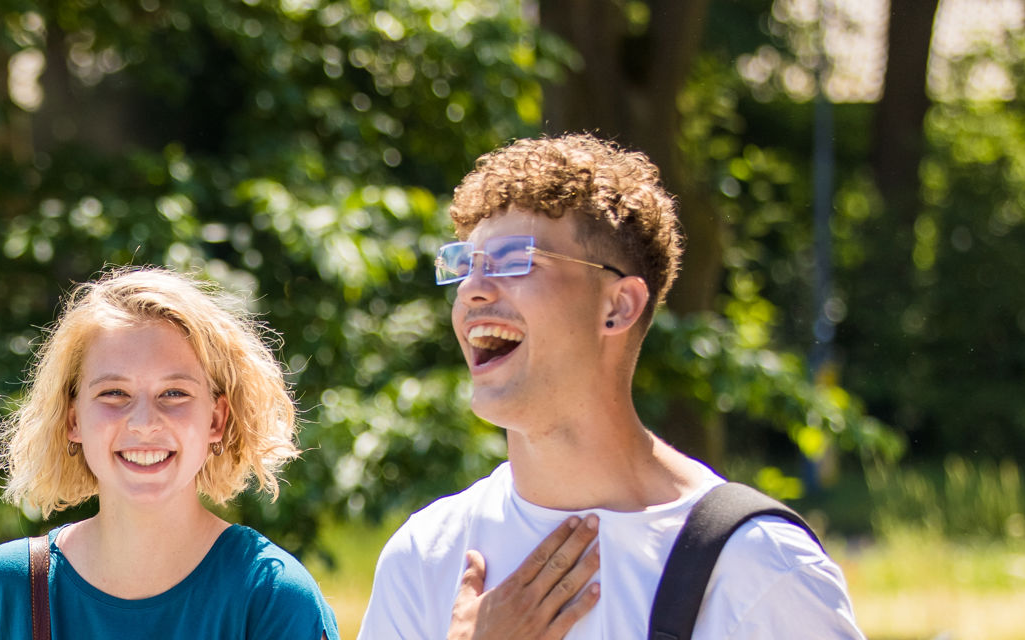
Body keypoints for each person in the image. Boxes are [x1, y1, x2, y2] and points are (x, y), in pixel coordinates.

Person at [359, 134, 864, 639]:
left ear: (618, 306)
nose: (472, 290)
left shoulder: (760, 570)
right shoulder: (424, 556)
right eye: (464, 266)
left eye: (515, 260)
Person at [0, 267, 340, 640]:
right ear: (72, 418)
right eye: (114, 393)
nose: (144, 422)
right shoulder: (12, 588)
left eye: (174, 393)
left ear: (216, 419)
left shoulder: (271, 594)